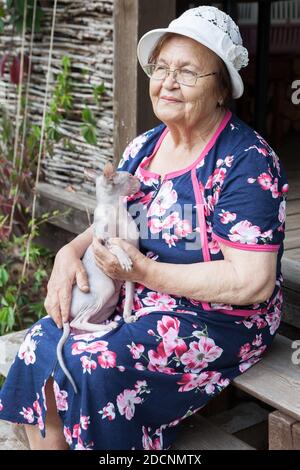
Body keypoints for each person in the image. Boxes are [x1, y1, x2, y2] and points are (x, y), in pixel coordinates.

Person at [0, 6, 289, 450]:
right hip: (136, 301)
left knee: (92, 364)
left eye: (188, 72)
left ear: (220, 89)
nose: (168, 81)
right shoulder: (145, 147)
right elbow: (111, 214)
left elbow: (251, 282)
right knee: (42, 343)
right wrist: (68, 253)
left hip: (214, 318)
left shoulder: (245, 162)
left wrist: (144, 274)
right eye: (162, 67)